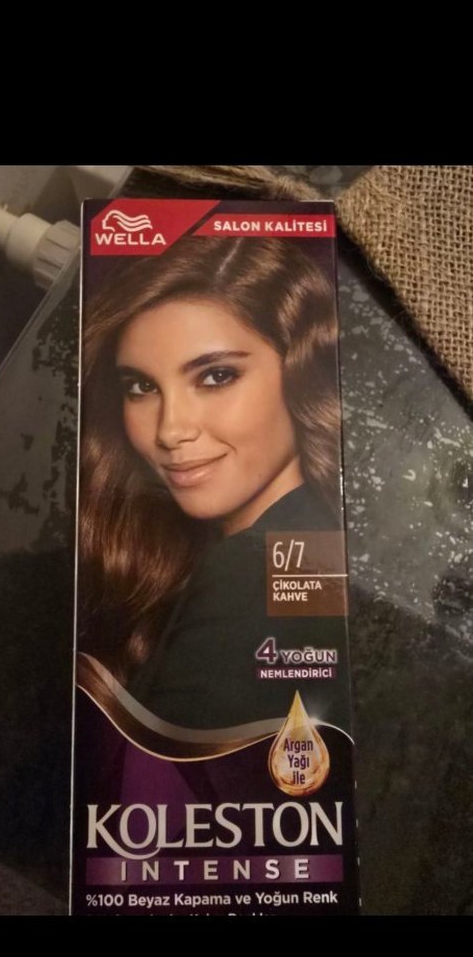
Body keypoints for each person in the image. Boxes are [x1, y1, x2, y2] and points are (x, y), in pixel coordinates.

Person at [78, 235, 345, 731]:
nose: (170, 430)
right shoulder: (312, 545)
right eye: (141, 386)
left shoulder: (247, 570)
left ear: (300, 372)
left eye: (217, 376)